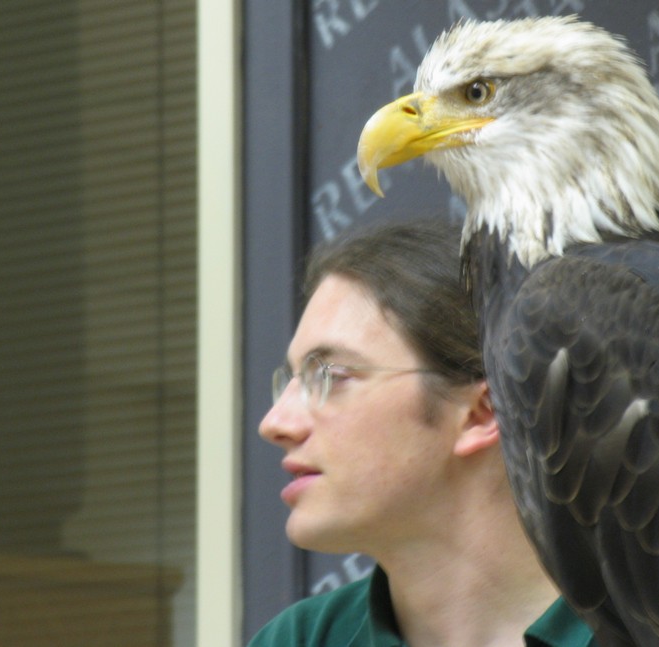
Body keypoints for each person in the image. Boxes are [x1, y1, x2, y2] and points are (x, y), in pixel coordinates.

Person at [250, 219, 597, 647]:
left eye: (331, 376)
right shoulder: (301, 639)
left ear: (482, 413)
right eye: (290, 379)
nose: (274, 424)